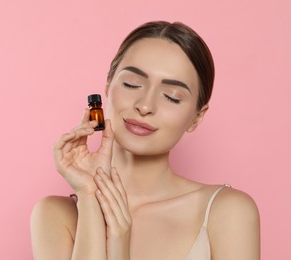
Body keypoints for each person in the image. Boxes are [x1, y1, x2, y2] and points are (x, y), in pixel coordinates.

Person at [30, 21, 260, 260]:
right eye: (131, 84)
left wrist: (119, 247)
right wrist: (89, 197)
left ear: (196, 118)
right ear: (108, 87)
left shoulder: (228, 212)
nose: (145, 106)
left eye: (172, 97)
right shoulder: (55, 215)